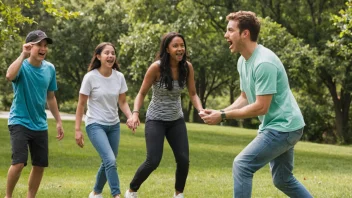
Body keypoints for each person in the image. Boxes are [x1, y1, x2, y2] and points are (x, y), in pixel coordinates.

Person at [200, 11, 312, 198]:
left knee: (242, 164)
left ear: (245, 33)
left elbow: (261, 107)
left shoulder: (264, 62)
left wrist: (224, 116)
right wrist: (221, 111)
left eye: (230, 30)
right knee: (282, 179)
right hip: (279, 125)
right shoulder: (243, 62)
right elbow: (245, 97)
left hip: (283, 127)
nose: (226, 35)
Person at [124, 32, 204, 198]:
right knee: (153, 160)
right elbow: (141, 93)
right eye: (175, 46)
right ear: (167, 49)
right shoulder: (156, 67)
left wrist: (200, 110)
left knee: (183, 160)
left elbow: (193, 93)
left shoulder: (187, 67)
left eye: (182, 45)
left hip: (176, 119)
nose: (180, 49)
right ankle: (132, 190)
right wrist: (135, 114)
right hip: (156, 120)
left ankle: (178, 194)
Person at [5, 30, 65, 198]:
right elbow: (9, 75)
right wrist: (22, 55)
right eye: (39, 45)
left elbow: (51, 97)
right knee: (18, 163)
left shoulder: (50, 69)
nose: (43, 49)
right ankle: (8, 196)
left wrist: (58, 121)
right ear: (29, 46)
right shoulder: (21, 66)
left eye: (45, 46)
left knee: (39, 165)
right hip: (19, 121)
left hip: (40, 124)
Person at [75, 42, 134, 198]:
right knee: (110, 160)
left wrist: (130, 116)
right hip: (95, 124)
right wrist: (77, 130)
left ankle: (96, 193)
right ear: (98, 56)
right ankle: (117, 195)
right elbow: (81, 104)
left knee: (109, 161)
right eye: (106, 53)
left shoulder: (119, 77)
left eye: (113, 53)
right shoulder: (90, 77)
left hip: (113, 125)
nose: (110, 56)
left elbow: (122, 102)